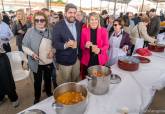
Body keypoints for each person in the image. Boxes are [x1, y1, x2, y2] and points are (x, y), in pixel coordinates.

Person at [22, 12, 54, 104]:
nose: (39, 22)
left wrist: (53, 51)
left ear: (45, 21)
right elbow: (24, 46)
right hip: (36, 63)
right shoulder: (30, 32)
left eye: (42, 20)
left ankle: (48, 93)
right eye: (37, 20)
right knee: (37, 81)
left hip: (48, 61)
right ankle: (37, 97)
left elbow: (55, 44)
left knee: (48, 79)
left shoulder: (50, 30)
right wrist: (32, 54)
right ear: (34, 21)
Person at [53, 3, 81, 85]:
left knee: (75, 80)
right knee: (65, 83)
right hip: (64, 61)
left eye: (74, 13)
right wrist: (66, 45)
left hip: (76, 59)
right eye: (70, 12)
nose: (72, 15)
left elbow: (80, 39)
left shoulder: (78, 24)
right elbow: (55, 43)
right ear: (65, 13)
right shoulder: (58, 25)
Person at [80, 12, 109, 77]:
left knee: (99, 77)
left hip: (100, 59)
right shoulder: (84, 31)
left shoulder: (104, 30)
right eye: (92, 19)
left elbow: (106, 45)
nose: (94, 21)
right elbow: (81, 46)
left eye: (96, 19)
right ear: (88, 21)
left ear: (98, 21)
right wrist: (85, 46)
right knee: (88, 78)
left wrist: (100, 50)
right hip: (88, 60)